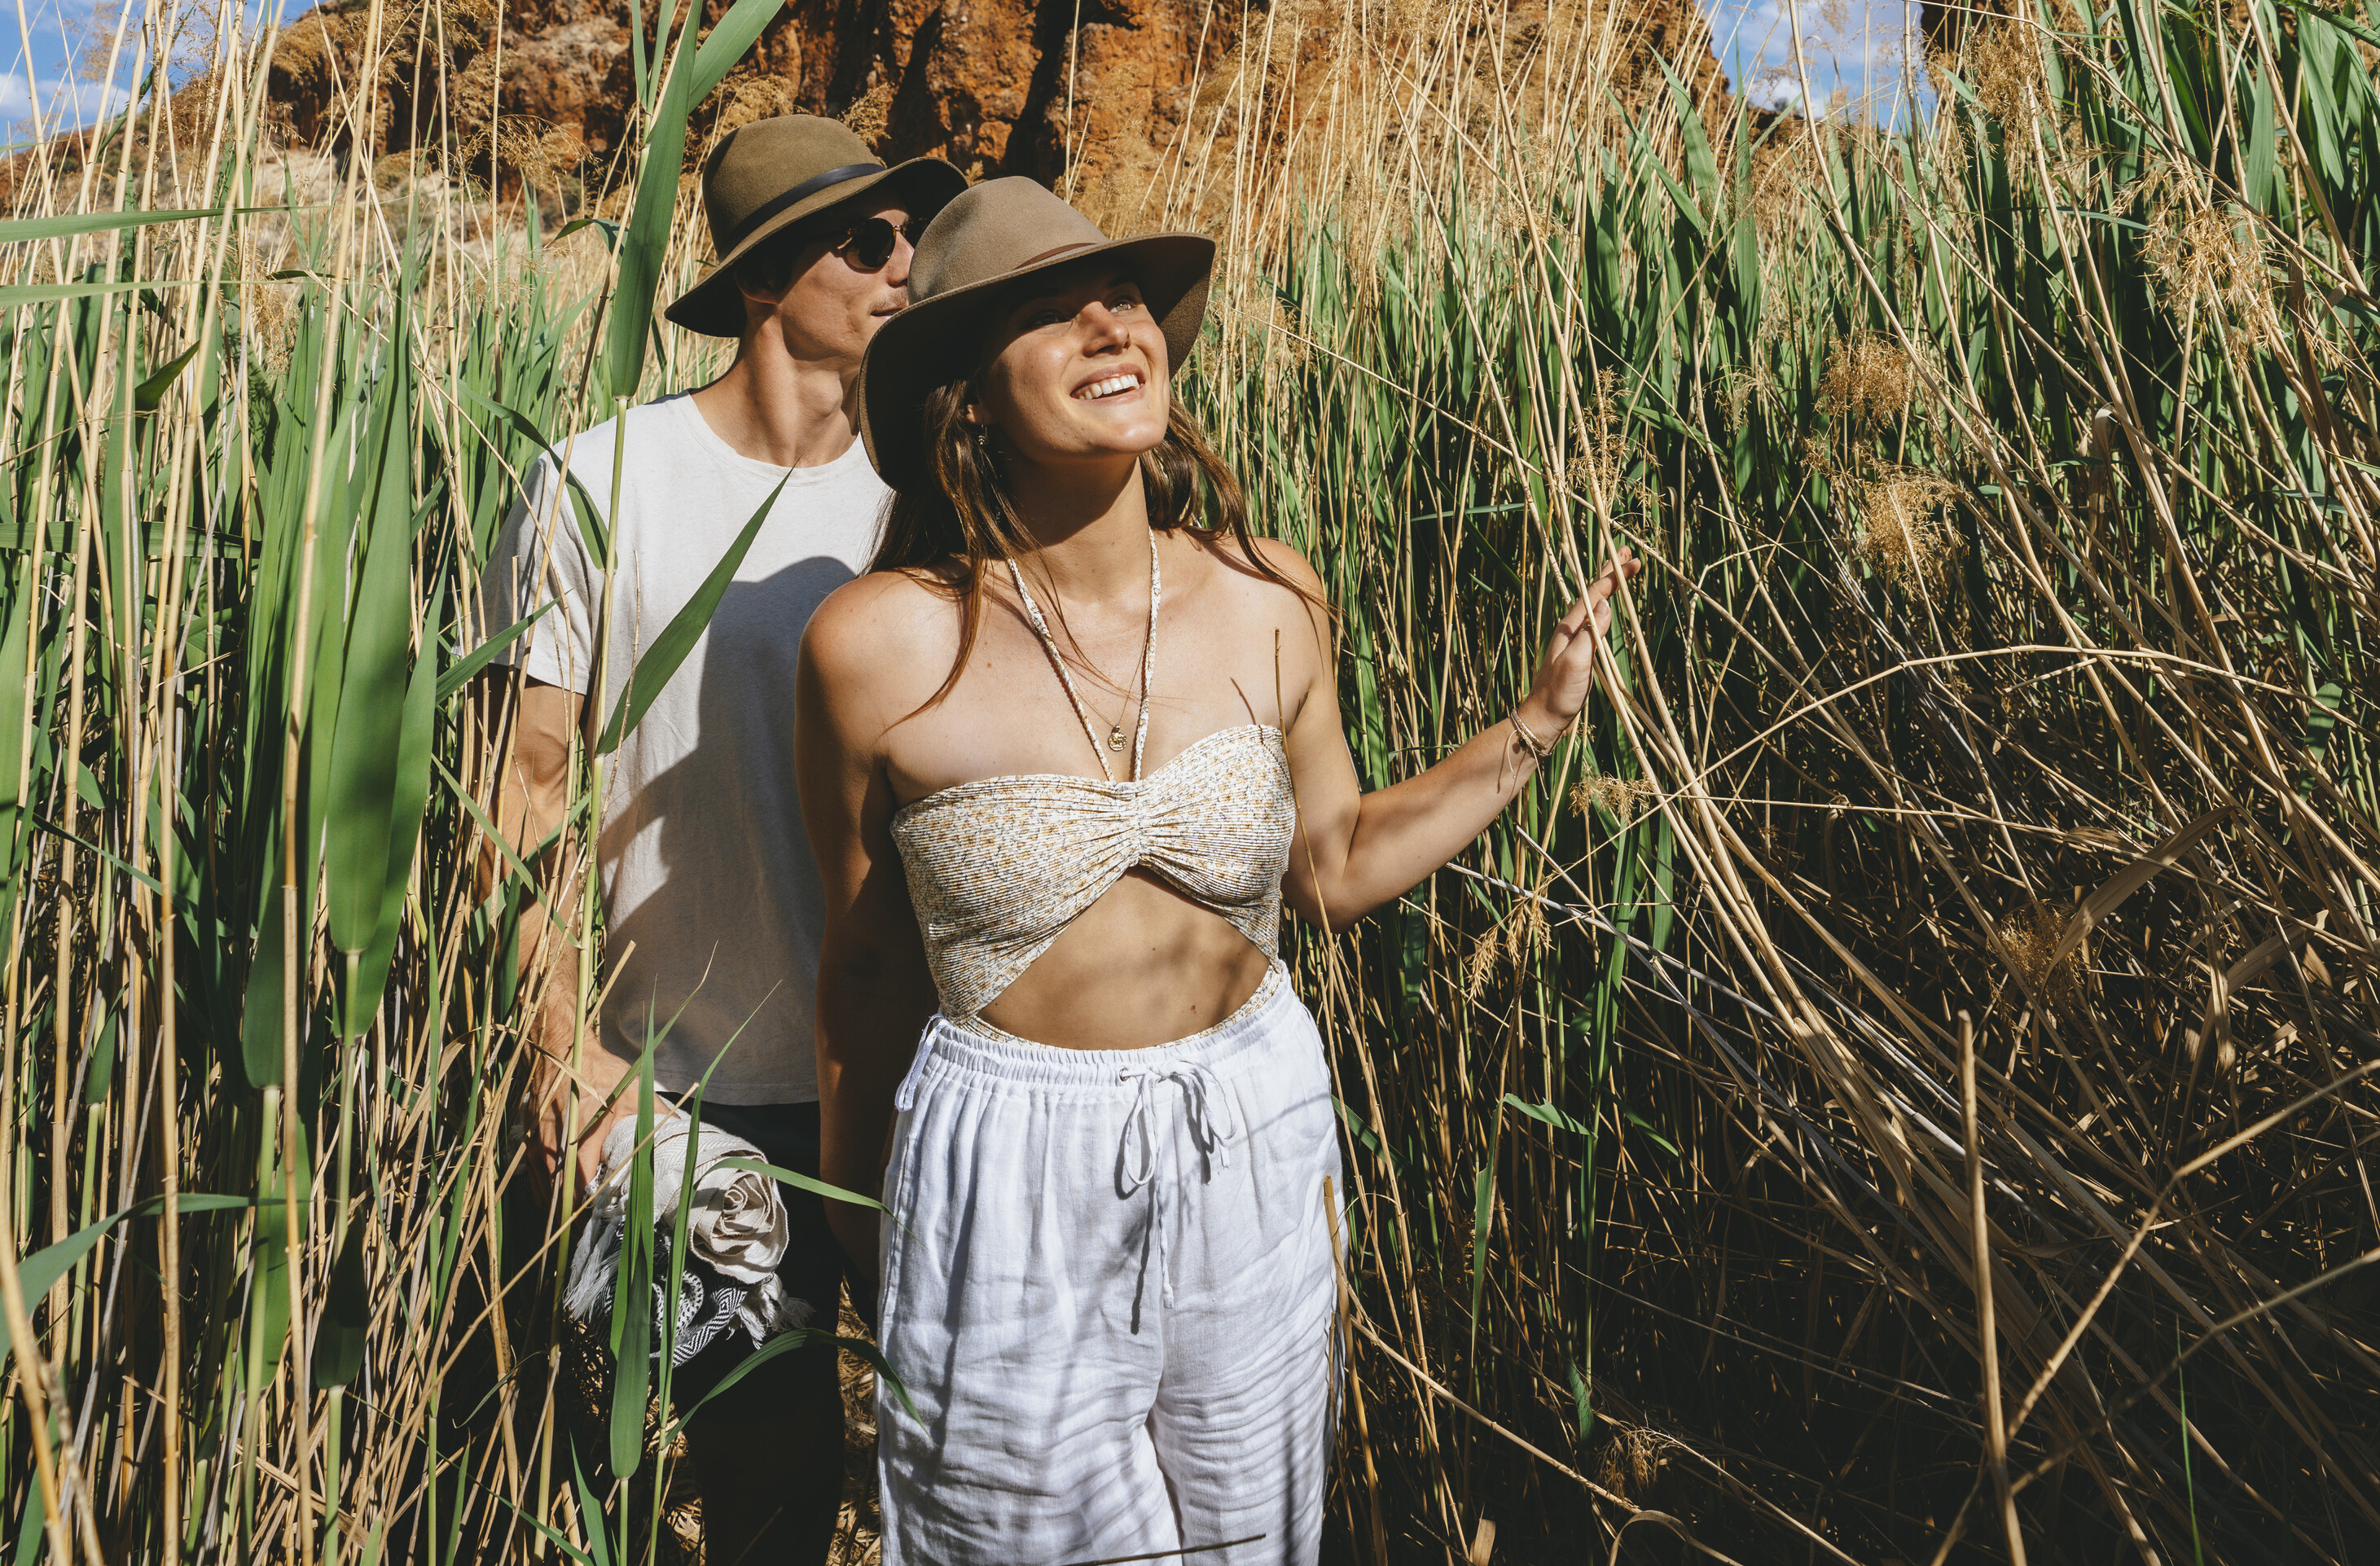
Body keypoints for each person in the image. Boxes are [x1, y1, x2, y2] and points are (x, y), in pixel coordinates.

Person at [797, 178, 1631, 1565]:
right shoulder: (874, 644)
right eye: (1042, 312)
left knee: (1255, 1531)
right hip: (1009, 1158)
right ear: (968, 397)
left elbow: (1334, 862)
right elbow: (867, 965)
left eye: (1120, 295)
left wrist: (1534, 726)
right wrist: (867, 1232)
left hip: (1252, 1120)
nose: (1105, 322)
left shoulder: (1270, 594)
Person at [490, 114, 965, 1565]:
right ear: (765, 280)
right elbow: (525, 787)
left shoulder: (928, 497)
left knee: (954, 1455)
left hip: (908, 1072)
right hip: (684, 1091)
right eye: (866, 239)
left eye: (911, 240)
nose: (904, 265)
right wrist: (567, 1059)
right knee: (766, 1478)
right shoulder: (597, 481)